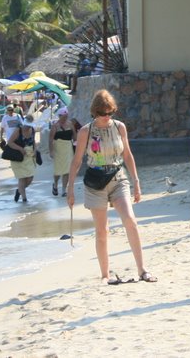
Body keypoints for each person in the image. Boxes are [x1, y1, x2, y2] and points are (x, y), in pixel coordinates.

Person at [66, 89, 156, 284]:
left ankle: (142, 270)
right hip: (95, 183)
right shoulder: (85, 132)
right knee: (102, 230)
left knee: (130, 221)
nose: (106, 117)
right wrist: (70, 188)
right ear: (95, 112)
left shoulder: (119, 127)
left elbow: (128, 155)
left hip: (118, 178)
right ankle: (105, 275)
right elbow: (76, 161)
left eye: (110, 113)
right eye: (102, 113)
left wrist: (137, 182)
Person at [7, 115, 39, 203]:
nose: (28, 126)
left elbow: (33, 141)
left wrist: (35, 150)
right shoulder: (18, 130)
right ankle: (24, 199)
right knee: (21, 178)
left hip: (29, 156)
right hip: (18, 157)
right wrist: (20, 149)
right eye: (27, 125)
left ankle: (19, 190)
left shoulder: (32, 130)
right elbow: (10, 142)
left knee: (30, 178)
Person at [48, 107, 75, 195]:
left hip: (68, 148)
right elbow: (50, 139)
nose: (65, 118)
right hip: (58, 149)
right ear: (59, 116)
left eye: (66, 116)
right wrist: (51, 151)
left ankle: (64, 190)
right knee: (58, 170)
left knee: (67, 170)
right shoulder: (55, 126)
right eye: (63, 116)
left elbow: (75, 136)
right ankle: (55, 184)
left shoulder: (70, 124)